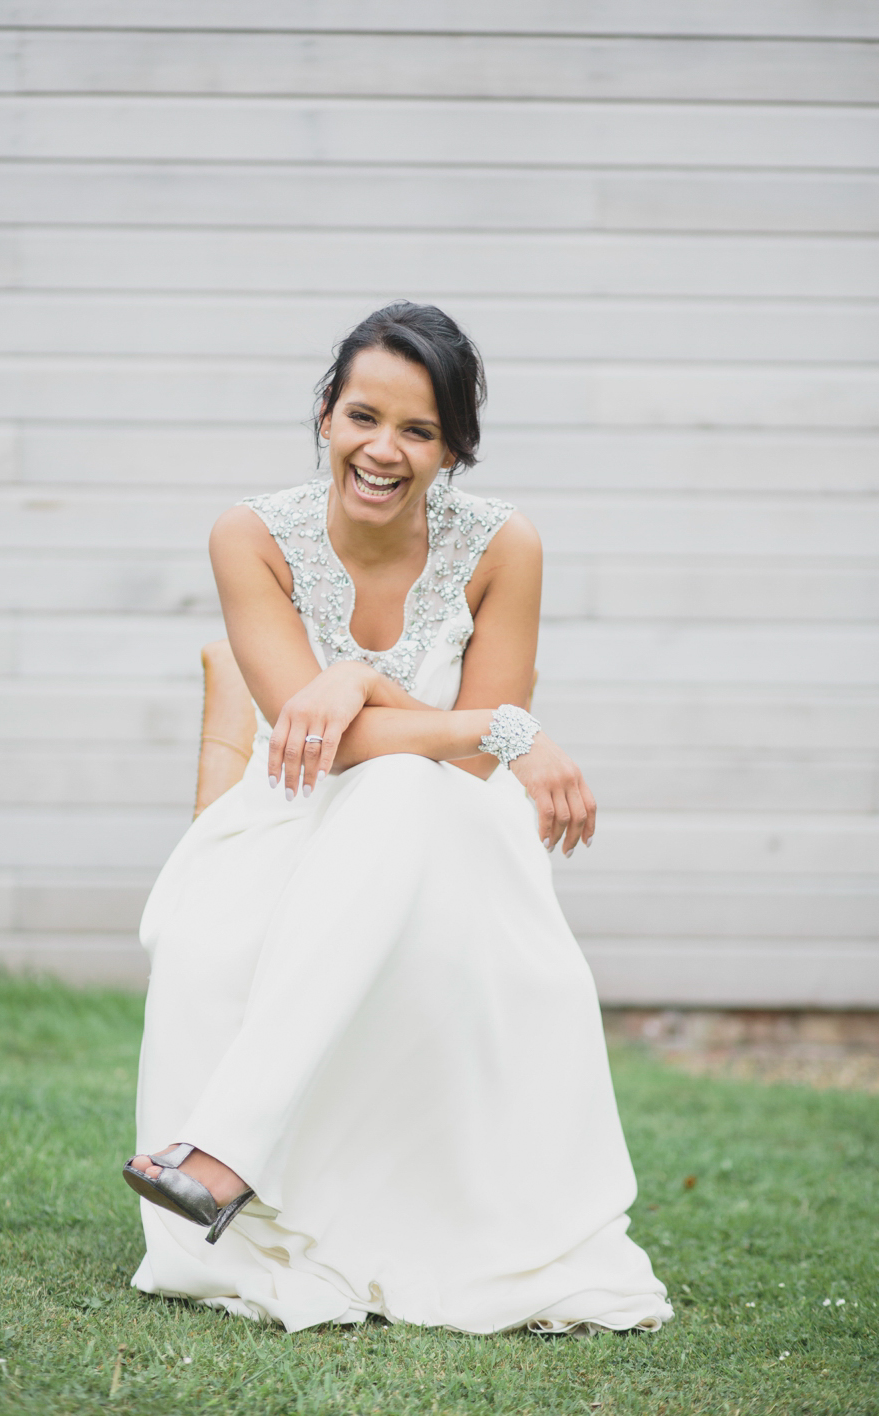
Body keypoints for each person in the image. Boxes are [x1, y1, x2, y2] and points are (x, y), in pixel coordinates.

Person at [123, 302, 672, 1335]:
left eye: (418, 431)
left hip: (457, 830)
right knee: (361, 803)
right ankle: (240, 1167)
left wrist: (359, 692)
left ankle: (227, 1149)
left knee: (404, 788)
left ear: (454, 447)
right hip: (290, 820)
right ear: (326, 415)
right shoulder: (249, 535)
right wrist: (378, 702)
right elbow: (307, 736)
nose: (383, 450)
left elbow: (464, 762)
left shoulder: (504, 543)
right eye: (362, 417)